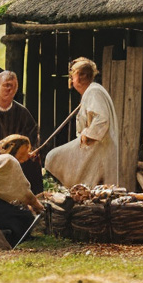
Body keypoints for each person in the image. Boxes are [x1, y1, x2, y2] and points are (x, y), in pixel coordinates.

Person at [44, 57, 121, 187]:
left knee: (53, 157)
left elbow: (102, 119)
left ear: (79, 78)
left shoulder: (93, 92)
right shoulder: (91, 92)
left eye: (72, 76)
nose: (71, 80)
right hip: (96, 149)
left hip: (98, 149)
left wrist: (87, 136)